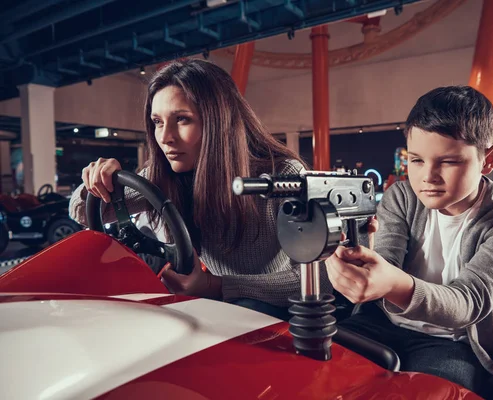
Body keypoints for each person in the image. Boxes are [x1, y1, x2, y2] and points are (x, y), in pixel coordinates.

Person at [325, 86, 493, 399]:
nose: (428, 177)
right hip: (382, 323)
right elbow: (385, 261)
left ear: (489, 159)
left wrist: (390, 283)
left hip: (454, 344)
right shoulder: (401, 197)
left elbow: (469, 303)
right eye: (416, 160)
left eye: (449, 162)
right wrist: (342, 256)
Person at [69, 58, 319, 320]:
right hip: (224, 306)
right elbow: (82, 211)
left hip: (284, 312)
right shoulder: (165, 176)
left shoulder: (283, 176)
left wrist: (217, 286)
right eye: (158, 121)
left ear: (218, 122)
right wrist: (98, 179)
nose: (166, 137)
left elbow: (319, 281)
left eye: (182, 119)